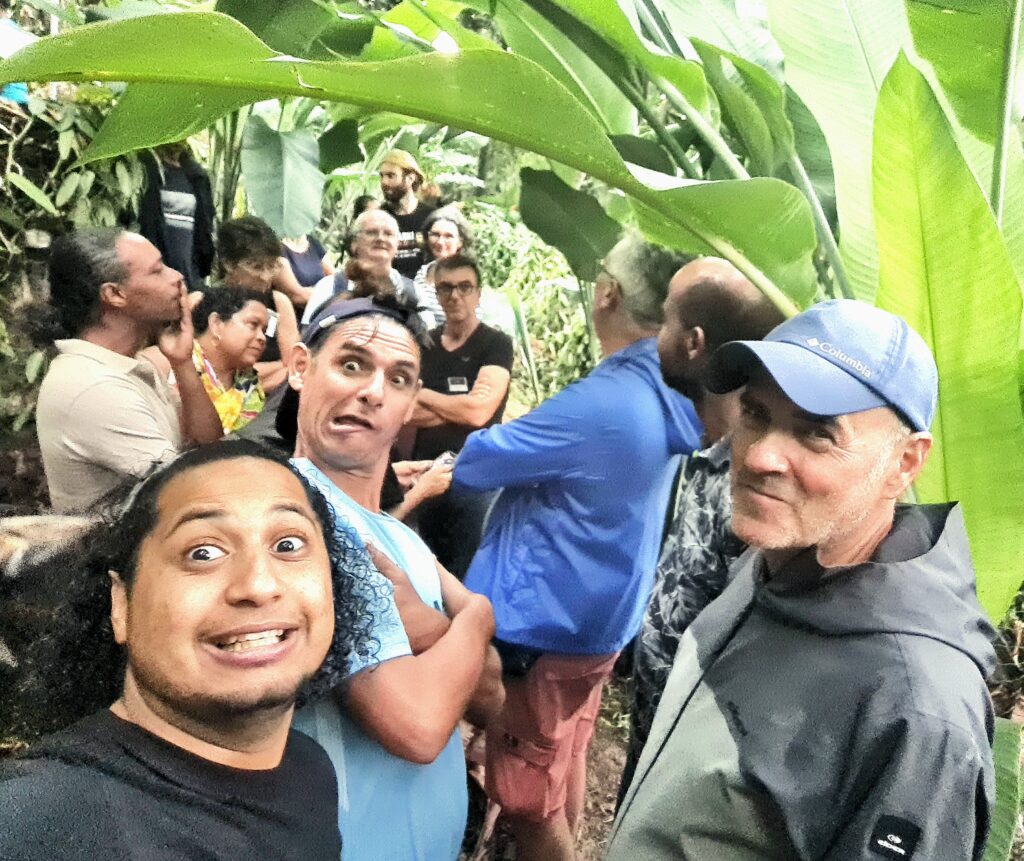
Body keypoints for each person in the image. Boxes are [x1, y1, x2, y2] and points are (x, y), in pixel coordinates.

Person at [609, 300, 996, 861]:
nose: (761, 455)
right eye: (757, 415)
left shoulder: (917, 712)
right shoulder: (772, 562)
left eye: (816, 434)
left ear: (906, 463)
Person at [0, 440, 380, 860]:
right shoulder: (38, 822)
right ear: (121, 605)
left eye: (288, 545)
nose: (258, 585)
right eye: (203, 552)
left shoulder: (308, 770)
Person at [454, 234, 703, 861]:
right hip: (598, 620)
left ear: (608, 294)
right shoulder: (666, 386)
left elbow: (479, 463)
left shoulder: (606, 402)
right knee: (564, 755)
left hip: (546, 623)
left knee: (524, 793)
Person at [279, 296, 505, 861]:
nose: (373, 391)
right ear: (300, 368)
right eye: (352, 364)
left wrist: (439, 628)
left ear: (409, 407)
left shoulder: (396, 536)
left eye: (399, 378)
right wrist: (474, 619)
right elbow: (417, 726)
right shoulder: (287, 514)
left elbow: (493, 695)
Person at [622, 257, 784, 798]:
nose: (654, 334)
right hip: (653, 738)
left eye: (664, 320)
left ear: (693, 342)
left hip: (693, 771)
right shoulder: (706, 455)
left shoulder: (753, 485)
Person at [35, 228, 222, 513]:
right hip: (112, 555)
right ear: (115, 294)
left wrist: (182, 363)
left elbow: (207, 446)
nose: (177, 277)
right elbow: (188, 494)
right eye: (158, 271)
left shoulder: (128, 367)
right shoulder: (95, 387)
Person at [407, 253, 514, 578]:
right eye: (446, 288)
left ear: (478, 293)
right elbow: (403, 411)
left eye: (464, 287)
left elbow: (478, 412)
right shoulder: (423, 344)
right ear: (436, 294)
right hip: (421, 472)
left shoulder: (495, 344)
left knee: (469, 570)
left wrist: (420, 392)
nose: (455, 296)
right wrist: (460, 406)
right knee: (422, 568)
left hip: (475, 473)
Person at [145, 285, 270, 434]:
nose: (262, 338)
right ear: (216, 323)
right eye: (253, 325)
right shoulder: (162, 361)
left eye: (264, 331)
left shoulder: (250, 386)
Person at [302, 208, 441, 327]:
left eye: (388, 233)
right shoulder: (328, 287)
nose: (380, 238)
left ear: (397, 244)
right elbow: (308, 336)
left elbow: (427, 341)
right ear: (354, 243)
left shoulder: (414, 292)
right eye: (371, 232)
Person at [216, 216, 301, 393]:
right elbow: (211, 373)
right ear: (228, 264)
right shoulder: (205, 302)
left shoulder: (279, 303)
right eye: (256, 267)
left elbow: (294, 367)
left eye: (271, 267)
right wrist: (277, 368)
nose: (265, 276)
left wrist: (237, 384)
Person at [137, 141, 215, 291]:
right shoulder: (147, 168)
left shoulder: (195, 176)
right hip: (154, 274)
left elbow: (203, 233)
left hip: (189, 278)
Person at [378, 149, 436, 279]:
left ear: (410, 178)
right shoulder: (378, 218)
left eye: (391, 175)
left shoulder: (432, 217)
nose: (384, 182)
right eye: (382, 176)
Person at [413, 206, 475, 327]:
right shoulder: (423, 273)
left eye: (448, 236)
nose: (440, 242)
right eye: (435, 235)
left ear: (460, 242)